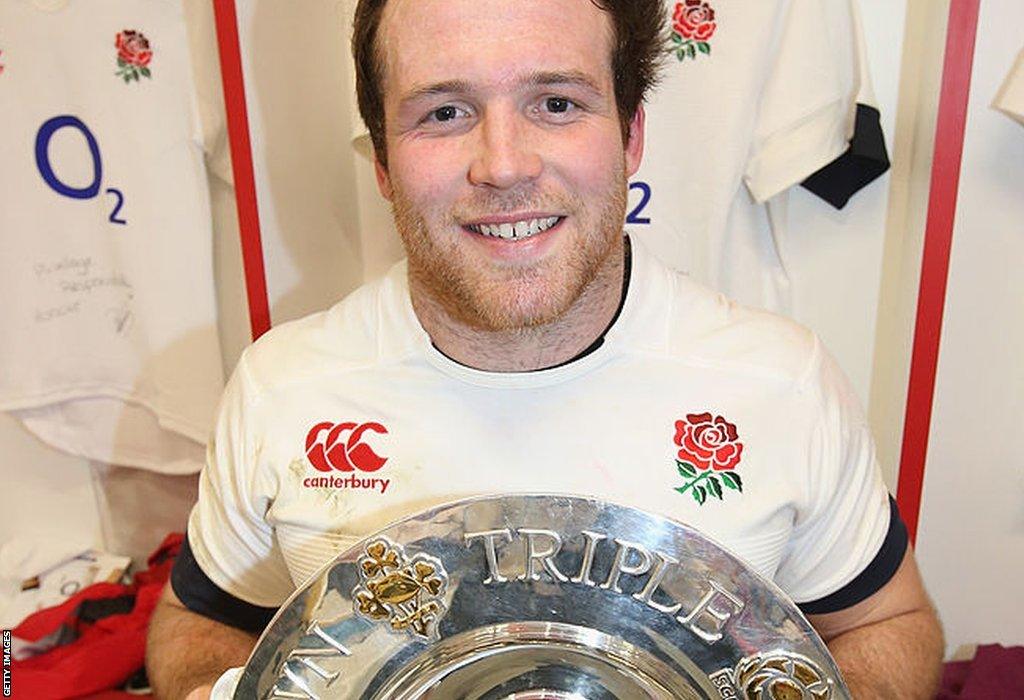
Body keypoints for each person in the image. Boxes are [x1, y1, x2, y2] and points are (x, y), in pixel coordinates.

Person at [146, 0, 944, 697]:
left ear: (631, 136)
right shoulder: (284, 388)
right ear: (383, 161)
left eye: (556, 103)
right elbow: (200, 622)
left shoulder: (780, 382)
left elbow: (891, 621)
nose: (504, 166)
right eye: (444, 112)